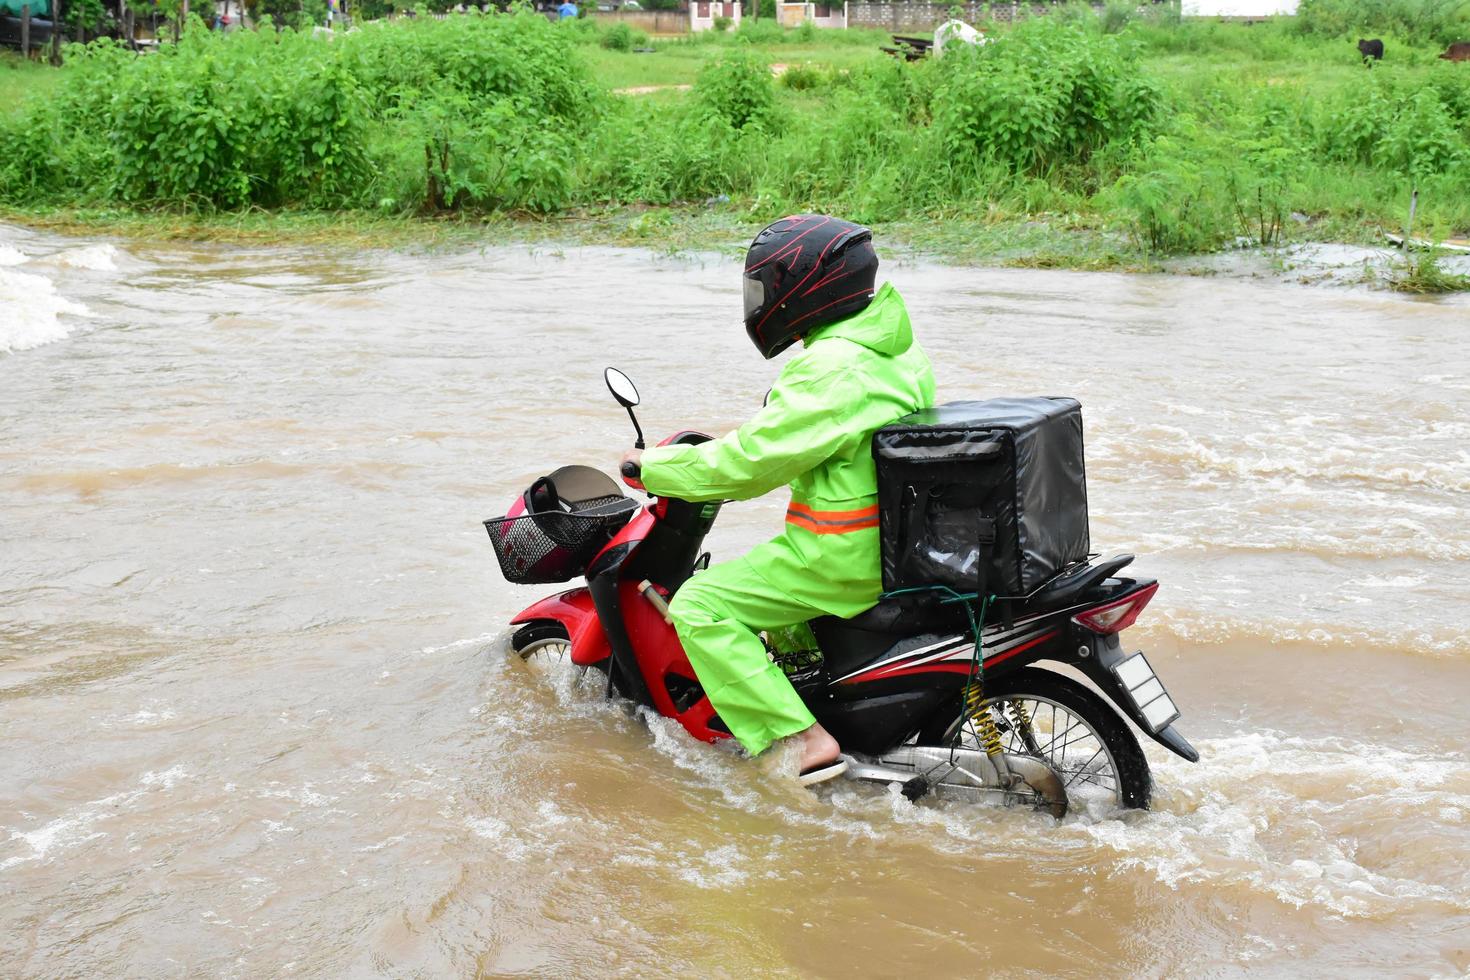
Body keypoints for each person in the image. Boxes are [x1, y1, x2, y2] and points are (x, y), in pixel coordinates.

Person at [620, 215, 935, 785]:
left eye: (766, 289)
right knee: (768, 593)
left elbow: (750, 466)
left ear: (805, 290)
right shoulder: (888, 348)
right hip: (893, 544)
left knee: (699, 605)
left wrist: (655, 468)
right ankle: (814, 693)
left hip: (840, 557)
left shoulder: (830, 368)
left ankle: (800, 737)